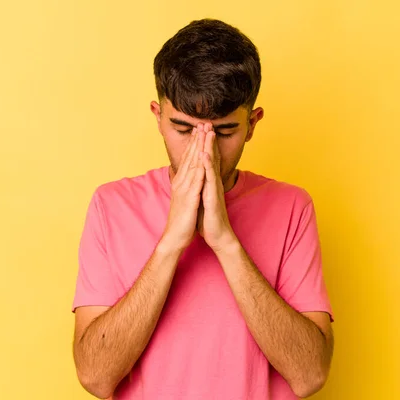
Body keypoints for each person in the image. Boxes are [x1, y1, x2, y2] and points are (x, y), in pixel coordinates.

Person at [71, 18, 334, 400]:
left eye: (224, 132)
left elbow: (309, 376)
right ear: (157, 117)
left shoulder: (292, 207)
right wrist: (170, 244)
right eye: (183, 129)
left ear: (253, 123)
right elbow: (95, 377)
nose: (204, 152)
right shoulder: (111, 205)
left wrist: (225, 241)